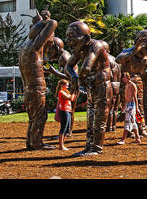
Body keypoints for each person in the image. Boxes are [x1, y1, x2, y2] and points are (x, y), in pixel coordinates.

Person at [65, 21, 113, 157]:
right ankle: (88, 147)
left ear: (86, 38)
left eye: (72, 37)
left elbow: (86, 67)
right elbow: (68, 66)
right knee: (90, 118)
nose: (68, 41)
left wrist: (78, 80)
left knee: (99, 119)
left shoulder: (95, 45)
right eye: (67, 38)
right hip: (92, 87)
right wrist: (74, 78)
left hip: (102, 87)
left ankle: (97, 148)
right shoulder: (80, 49)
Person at [19, 10, 58, 150]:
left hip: (27, 87)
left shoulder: (24, 48)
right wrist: (46, 20)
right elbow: (53, 23)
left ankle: (31, 142)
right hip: (36, 87)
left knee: (33, 117)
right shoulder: (35, 47)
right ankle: (37, 143)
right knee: (40, 116)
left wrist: (37, 22)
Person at [117, 73, 141, 144]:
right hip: (128, 105)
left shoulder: (132, 85)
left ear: (127, 77)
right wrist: (124, 107)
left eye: (123, 77)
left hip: (132, 105)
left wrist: (137, 108)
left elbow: (135, 97)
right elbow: (125, 98)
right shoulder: (126, 85)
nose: (122, 79)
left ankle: (123, 140)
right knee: (133, 122)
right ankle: (138, 138)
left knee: (127, 122)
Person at [56, 79, 76, 150]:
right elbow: (70, 98)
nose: (68, 86)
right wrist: (73, 93)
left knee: (67, 129)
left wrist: (74, 93)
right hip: (64, 111)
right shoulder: (61, 92)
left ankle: (62, 145)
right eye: (66, 85)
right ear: (62, 85)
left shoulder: (65, 91)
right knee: (63, 128)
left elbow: (72, 99)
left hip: (68, 111)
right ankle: (61, 146)